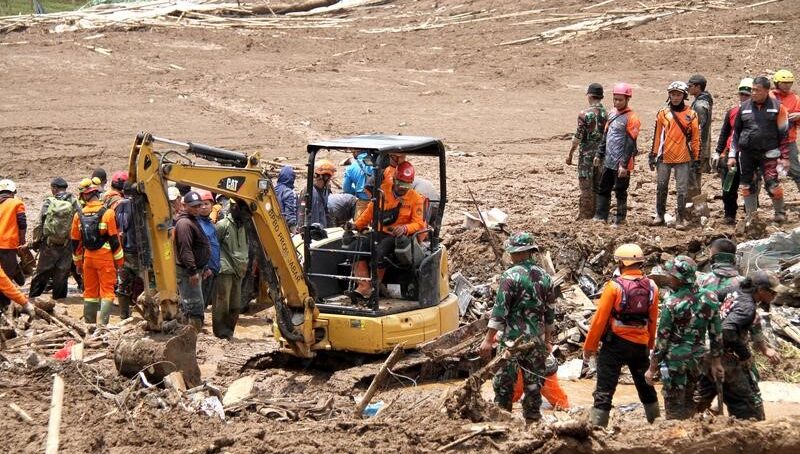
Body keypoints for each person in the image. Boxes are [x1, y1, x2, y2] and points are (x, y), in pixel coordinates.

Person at [478, 232, 555, 422]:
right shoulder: (546, 277)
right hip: (536, 342)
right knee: (534, 386)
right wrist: (547, 341)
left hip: (512, 341)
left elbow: (499, 311)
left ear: (517, 252)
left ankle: (502, 422)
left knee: (504, 384)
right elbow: (550, 314)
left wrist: (488, 340)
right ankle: (532, 423)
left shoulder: (510, 276)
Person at [583, 243, 660, 427]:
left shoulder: (614, 287)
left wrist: (589, 347)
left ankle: (598, 429)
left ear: (621, 263)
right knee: (646, 387)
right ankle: (657, 424)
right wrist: (649, 345)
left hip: (615, 345)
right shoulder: (652, 286)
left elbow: (599, 321)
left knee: (604, 390)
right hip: (640, 345)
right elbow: (652, 318)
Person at [644, 256, 723, 420]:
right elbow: (716, 333)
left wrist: (652, 368)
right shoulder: (711, 298)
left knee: (674, 406)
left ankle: (679, 438)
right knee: (690, 400)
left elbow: (662, 339)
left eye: (671, 275)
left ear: (679, 279)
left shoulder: (672, 303)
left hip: (675, 363)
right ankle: (692, 433)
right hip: (697, 361)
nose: (668, 277)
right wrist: (716, 362)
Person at [695, 271, 781, 420]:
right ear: (760, 290)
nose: (775, 296)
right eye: (772, 292)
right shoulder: (747, 307)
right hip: (725, 355)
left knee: (702, 393)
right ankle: (750, 434)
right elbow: (728, 329)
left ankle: (691, 416)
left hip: (708, 351)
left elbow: (710, 295)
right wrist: (744, 355)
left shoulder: (734, 291)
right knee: (748, 406)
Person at [347, 161, 426, 300]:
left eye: (406, 185)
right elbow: (370, 211)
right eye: (401, 184)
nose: (403, 188)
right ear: (394, 179)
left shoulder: (416, 199)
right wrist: (356, 225)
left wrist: (405, 228)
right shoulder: (383, 191)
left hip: (397, 238)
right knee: (355, 247)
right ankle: (364, 285)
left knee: (380, 250)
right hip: (379, 232)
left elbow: (419, 223)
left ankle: (375, 286)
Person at [729, 76, 790, 224]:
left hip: (770, 153)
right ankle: (751, 216)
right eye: (752, 90)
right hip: (747, 154)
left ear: (766, 91)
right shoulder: (743, 108)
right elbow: (736, 133)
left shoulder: (778, 107)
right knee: (747, 185)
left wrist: (785, 157)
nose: (753, 93)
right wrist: (732, 155)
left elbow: (784, 134)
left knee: (772, 185)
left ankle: (780, 213)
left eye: (757, 90)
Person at [70, 179, 124, 325]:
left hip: (88, 258)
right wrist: (120, 262)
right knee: (107, 291)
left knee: (90, 293)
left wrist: (78, 263)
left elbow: (75, 243)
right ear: (96, 194)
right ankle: (103, 325)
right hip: (105, 258)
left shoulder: (78, 215)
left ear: (84, 196)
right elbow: (114, 240)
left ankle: (89, 324)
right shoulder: (108, 214)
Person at [649, 81, 700, 230]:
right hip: (664, 157)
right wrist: (652, 155)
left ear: (684, 96)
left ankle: (680, 218)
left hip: (683, 158)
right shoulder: (663, 113)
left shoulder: (692, 114)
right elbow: (657, 136)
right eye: (673, 94)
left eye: (678, 95)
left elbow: (696, 138)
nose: (675, 97)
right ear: (669, 95)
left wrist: (696, 158)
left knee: (682, 190)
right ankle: (660, 214)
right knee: (661, 186)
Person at [592, 83, 641, 227]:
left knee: (620, 190)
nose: (617, 102)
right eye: (615, 99)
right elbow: (606, 136)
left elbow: (631, 143)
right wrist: (599, 154)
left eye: (620, 99)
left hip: (622, 162)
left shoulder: (632, 118)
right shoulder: (612, 113)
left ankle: (620, 219)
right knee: (603, 188)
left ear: (627, 99)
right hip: (609, 159)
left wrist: (624, 164)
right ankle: (601, 216)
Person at [29, 177, 79, 300]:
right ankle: (60, 300)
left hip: (49, 245)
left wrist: (36, 241)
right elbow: (79, 223)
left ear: (55, 188)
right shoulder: (74, 201)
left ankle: (33, 298)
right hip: (66, 244)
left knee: (41, 272)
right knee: (62, 273)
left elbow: (38, 224)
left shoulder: (48, 202)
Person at [714, 78, 754, 225]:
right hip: (732, 154)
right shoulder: (732, 112)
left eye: (747, 95)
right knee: (728, 187)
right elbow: (725, 133)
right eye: (742, 94)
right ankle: (730, 214)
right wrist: (718, 152)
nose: (744, 97)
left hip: (751, 155)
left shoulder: (759, 113)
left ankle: (751, 215)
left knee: (751, 187)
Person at [567, 83, 608, 219]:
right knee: (598, 185)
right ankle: (599, 213)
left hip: (586, 155)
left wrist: (571, 154)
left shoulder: (584, 114)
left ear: (589, 96)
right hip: (602, 154)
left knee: (585, 186)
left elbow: (578, 137)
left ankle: (585, 215)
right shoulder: (608, 114)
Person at [173, 191, 210, 331]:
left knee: (193, 304)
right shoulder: (184, 223)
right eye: (193, 206)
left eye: (199, 205)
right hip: (188, 272)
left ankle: (190, 334)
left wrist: (204, 267)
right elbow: (185, 250)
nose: (197, 209)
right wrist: (193, 271)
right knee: (194, 306)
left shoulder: (193, 220)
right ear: (184, 205)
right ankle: (191, 336)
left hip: (196, 270)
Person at [213, 201, 250, 339]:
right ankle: (220, 332)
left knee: (235, 303)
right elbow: (214, 245)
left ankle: (229, 331)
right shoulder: (223, 225)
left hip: (239, 269)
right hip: (225, 268)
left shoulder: (245, 226)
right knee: (222, 301)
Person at [114, 182, 144, 320]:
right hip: (140, 252)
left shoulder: (119, 206)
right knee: (147, 283)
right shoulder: (141, 205)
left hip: (124, 250)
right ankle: (148, 315)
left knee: (123, 284)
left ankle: (123, 314)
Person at [771, 70, 800, 194]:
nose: (787, 85)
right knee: (762, 171)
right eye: (784, 82)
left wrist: (799, 116)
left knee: (796, 171)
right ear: (777, 83)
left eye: (789, 82)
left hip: (789, 140)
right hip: (769, 140)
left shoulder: (796, 99)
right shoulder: (769, 96)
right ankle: (752, 205)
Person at [687, 74, 714, 199]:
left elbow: (698, 130)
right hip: (700, 147)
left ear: (698, 87)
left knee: (692, 180)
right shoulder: (703, 101)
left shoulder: (699, 106)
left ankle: (695, 209)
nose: (688, 88)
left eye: (690, 85)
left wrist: (695, 151)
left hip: (696, 148)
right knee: (694, 179)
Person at [0, 179, 26, 294]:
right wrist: (22, 240)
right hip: (8, 244)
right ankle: (7, 300)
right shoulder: (17, 203)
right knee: (7, 274)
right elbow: (22, 223)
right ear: (13, 192)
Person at [196, 190, 220, 309]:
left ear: (212, 205)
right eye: (201, 204)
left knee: (204, 302)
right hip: (204, 270)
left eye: (207, 204)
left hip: (213, 269)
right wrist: (205, 268)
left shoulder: (211, 224)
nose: (204, 207)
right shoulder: (196, 224)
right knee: (199, 302)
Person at [298, 159, 335, 231]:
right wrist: (301, 229)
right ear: (324, 177)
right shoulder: (308, 191)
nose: (330, 180)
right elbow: (301, 212)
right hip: (310, 232)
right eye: (329, 178)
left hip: (321, 230)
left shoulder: (326, 190)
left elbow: (327, 211)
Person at [343, 149, 374, 217]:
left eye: (353, 152)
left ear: (356, 152)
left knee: (360, 226)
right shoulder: (378, 162)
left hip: (363, 202)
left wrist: (355, 191)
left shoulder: (350, 168)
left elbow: (346, 189)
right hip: (380, 202)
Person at [274, 165, 298, 232]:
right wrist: (294, 230)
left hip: (273, 226)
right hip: (284, 230)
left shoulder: (273, 190)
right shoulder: (288, 192)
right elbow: (290, 214)